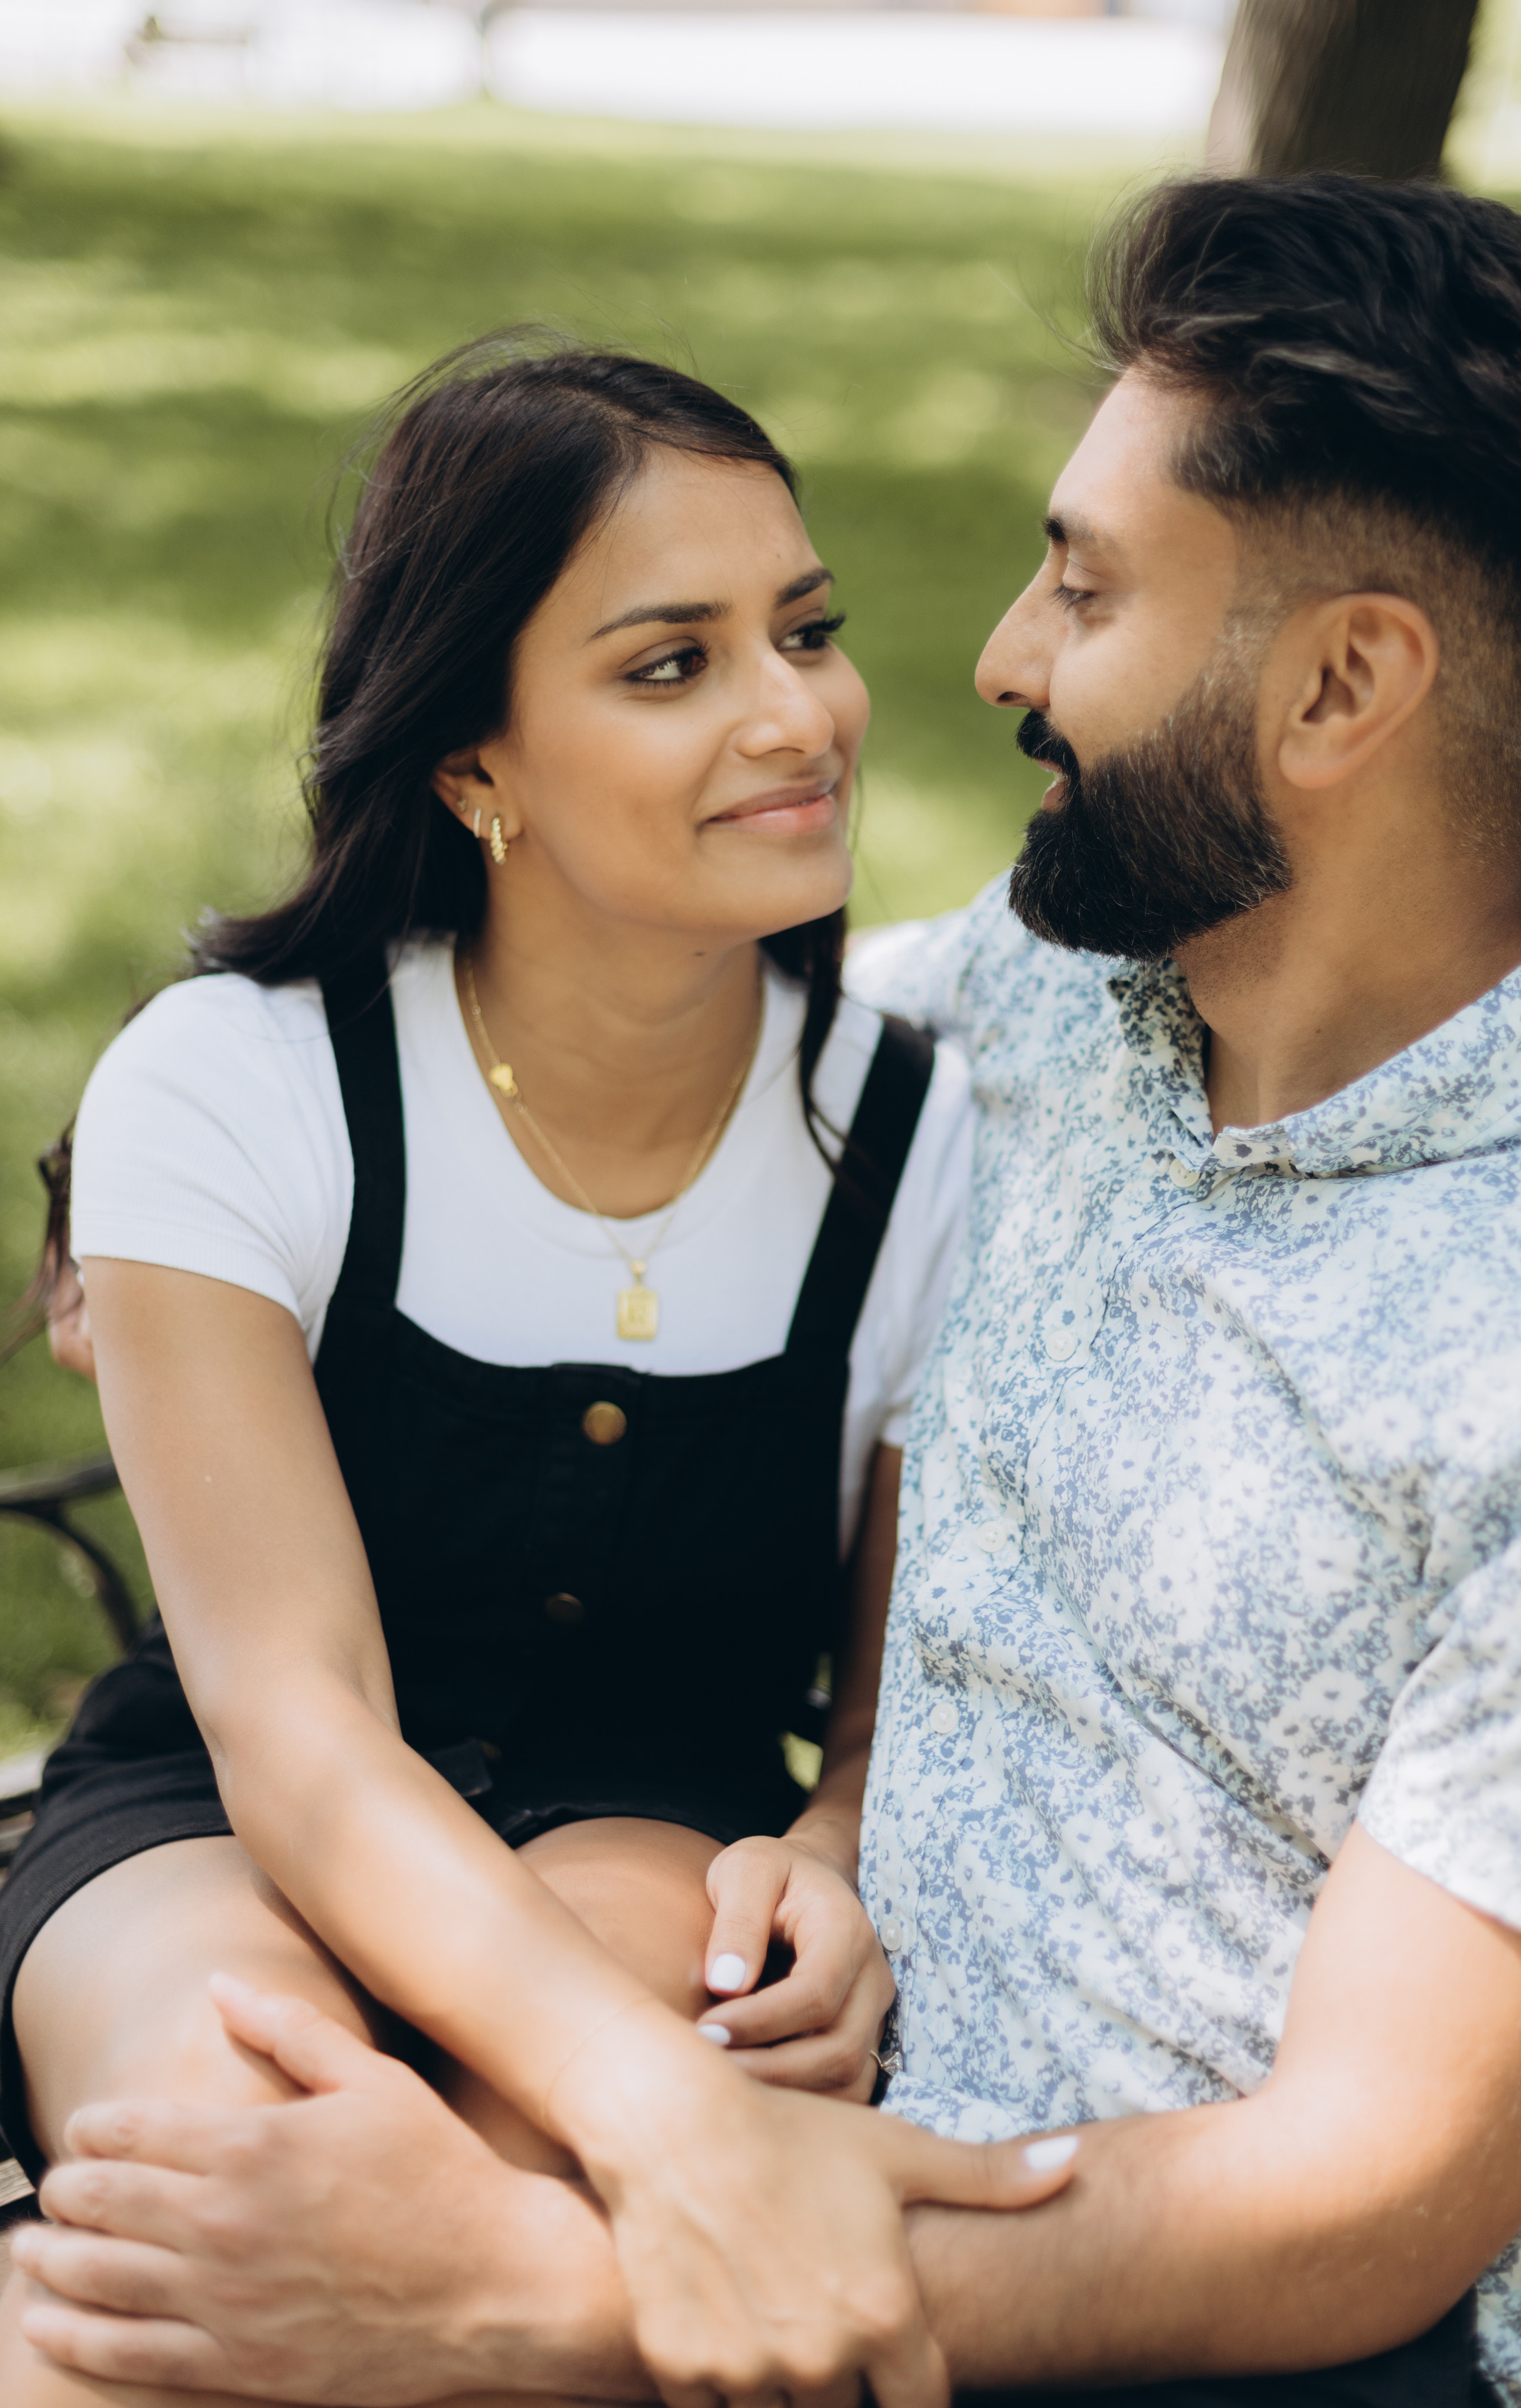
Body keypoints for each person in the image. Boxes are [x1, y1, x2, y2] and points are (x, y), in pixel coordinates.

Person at [13, 169, 1521, 2407]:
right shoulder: (1061, 1015)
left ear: (1344, 684)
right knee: (149, 2275)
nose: (991, 667)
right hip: (791, 2089)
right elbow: (622, 1025)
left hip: (1169, 2319)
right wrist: (166, 1176)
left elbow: (1359, 2207)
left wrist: (549, 2310)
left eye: (1082, 585)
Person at [0, 339, 1083, 2408]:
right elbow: (299, 1732)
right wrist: (662, 2115)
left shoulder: (928, 1143)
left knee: (535, 2245)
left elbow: (880, 1716)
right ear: (474, 765)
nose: (800, 716)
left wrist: (831, 1865)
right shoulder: (239, 1088)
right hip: (217, 1821)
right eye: (670, 664)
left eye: (811, 629)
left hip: (647, 1827)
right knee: (221, 2191)